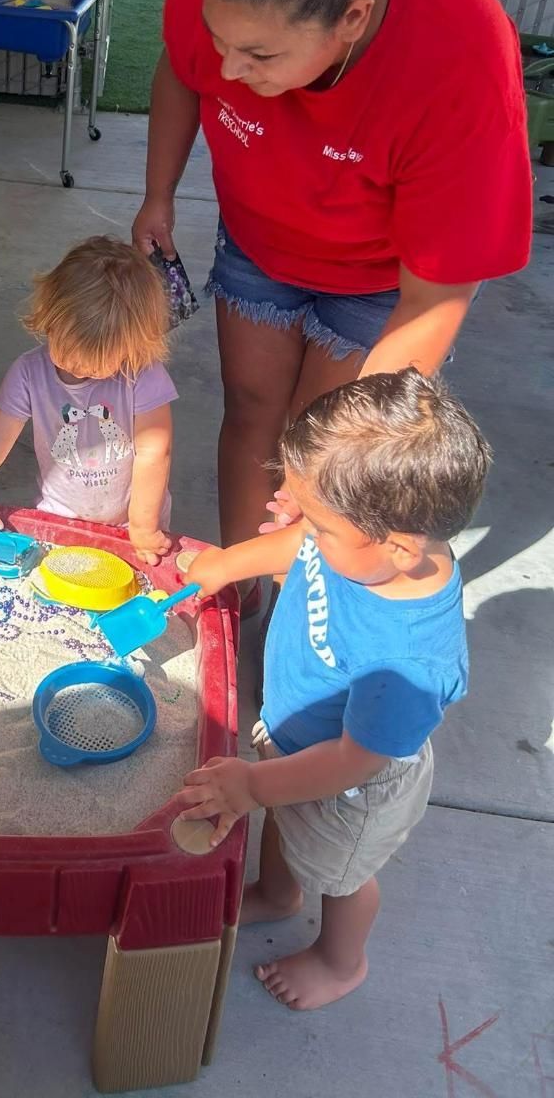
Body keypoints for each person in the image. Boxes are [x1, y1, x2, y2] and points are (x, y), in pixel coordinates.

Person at [131, 0, 531, 611]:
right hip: (259, 237)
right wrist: (159, 191)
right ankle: (242, 603)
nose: (231, 74)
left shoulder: (459, 51)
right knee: (252, 409)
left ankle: (296, 612)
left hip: (383, 283)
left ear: (352, 17)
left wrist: (335, 467)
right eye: (222, 43)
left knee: (323, 449)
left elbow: (437, 295)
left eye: (261, 58)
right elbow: (182, 70)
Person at [176, 369, 490, 1011]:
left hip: (352, 786)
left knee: (342, 873)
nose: (305, 529)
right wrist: (228, 564)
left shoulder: (406, 661)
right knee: (286, 822)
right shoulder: (362, 544)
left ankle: (340, 960)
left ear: (400, 546)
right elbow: (300, 546)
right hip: (297, 735)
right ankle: (278, 894)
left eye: (320, 523)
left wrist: (254, 786)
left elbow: (354, 759)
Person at [0, 236, 176, 565]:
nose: (82, 368)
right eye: (69, 354)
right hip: (59, 514)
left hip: (133, 519)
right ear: (49, 321)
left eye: (97, 363)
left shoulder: (142, 374)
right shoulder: (28, 373)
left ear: (135, 346)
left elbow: (155, 450)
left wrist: (142, 524)